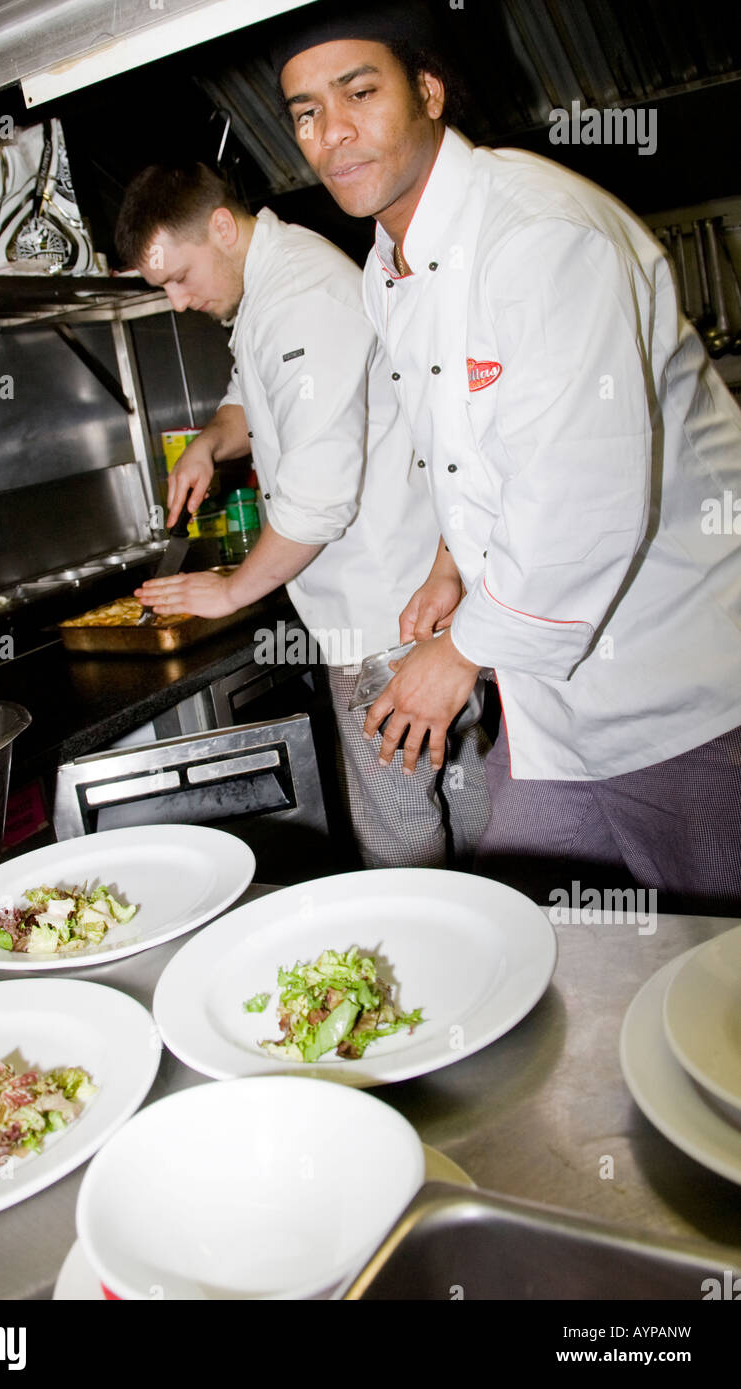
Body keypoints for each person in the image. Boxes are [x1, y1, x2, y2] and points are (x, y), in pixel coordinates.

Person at [272, 8, 741, 913]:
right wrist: (452, 564)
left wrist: (456, 656)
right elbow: (466, 448)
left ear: (430, 91)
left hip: (676, 679)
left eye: (359, 93)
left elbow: (583, 498)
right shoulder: (385, 270)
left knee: (716, 978)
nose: (330, 135)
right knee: (535, 943)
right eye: (303, 114)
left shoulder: (539, 235)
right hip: (545, 701)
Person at [113, 163, 492, 870]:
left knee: (398, 834)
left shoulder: (301, 297)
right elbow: (250, 399)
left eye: (179, 277)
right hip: (410, 600)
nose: (176, 300)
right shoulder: (270, 285)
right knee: (461, 803)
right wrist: (208, 444)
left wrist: (227, 592)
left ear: (221, 227)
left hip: (386, 619)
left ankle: (429, 967)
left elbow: (319, 500)